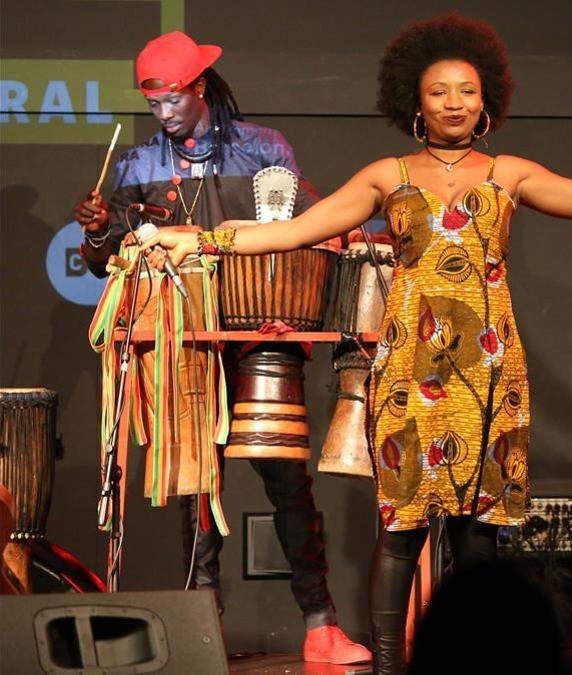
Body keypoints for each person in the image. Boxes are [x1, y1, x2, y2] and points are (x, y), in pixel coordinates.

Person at [144, 13, 572, 672]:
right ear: (415, 103)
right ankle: (391, 665)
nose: (455, 102)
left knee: (479, 532)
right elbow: (298, 230)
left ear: (487, 102)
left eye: (467, 90)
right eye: (440, 91)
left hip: (488, 371)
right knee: (401, 528)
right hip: (409, 369)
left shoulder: (508, 173)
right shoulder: (386, 176)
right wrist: (199, 239)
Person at [74, 31, 369, 665]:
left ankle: (321, 625)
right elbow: (107, 266)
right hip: (188, 340)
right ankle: (202, 626)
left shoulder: (264, 148)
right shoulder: (137, 165)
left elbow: (307, 225)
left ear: (199, 87)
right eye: (153, 104)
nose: (165, 114)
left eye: (173, 99)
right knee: (195, 488)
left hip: (262, 335)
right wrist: (99, 235)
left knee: (289, 484)